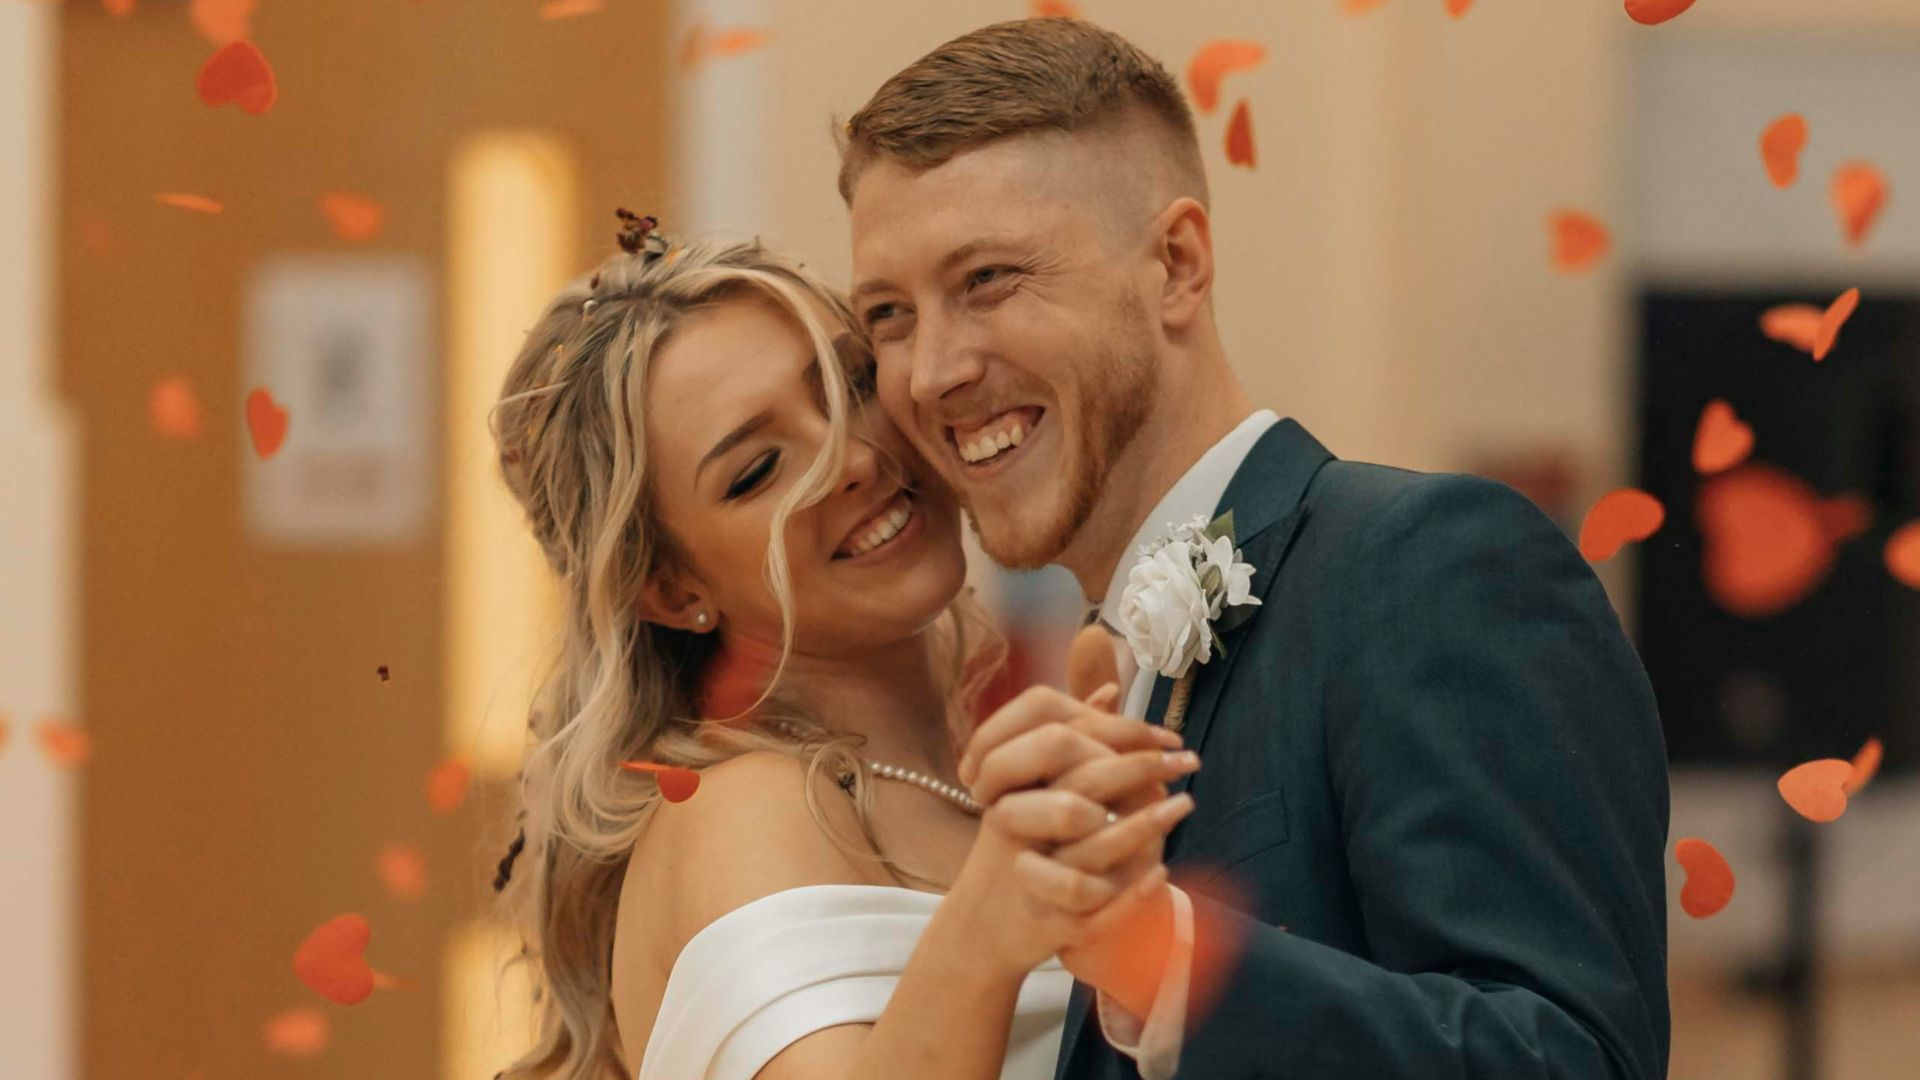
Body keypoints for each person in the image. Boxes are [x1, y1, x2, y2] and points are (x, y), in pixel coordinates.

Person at [842, 17, 1673, 1080]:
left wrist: (1162, 954)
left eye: (989, 279)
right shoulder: (1099, 672)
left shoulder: (1427, 565)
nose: (930, 372)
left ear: (1178, 265)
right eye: (889, 314)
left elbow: (1572, 1061)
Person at [486, 213, 1201, 1080]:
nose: (852, 458)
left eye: (851, 383)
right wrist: (985, 927)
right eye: (757, 470)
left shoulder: (968, 779)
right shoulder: (739, 810)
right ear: (672, 593)